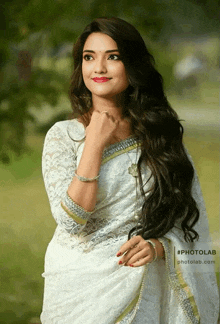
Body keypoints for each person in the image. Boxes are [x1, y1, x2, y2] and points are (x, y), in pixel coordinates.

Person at [40, 17, 219, 323]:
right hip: (78, 292)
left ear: (132, 65)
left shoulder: (160, 135)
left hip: (144, 285)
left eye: (113, 57)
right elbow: (71, 221)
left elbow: (189, 218)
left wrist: (159, 246)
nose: (98, 68)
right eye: (88, 57)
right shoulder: (63, 136)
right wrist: (94, 142)